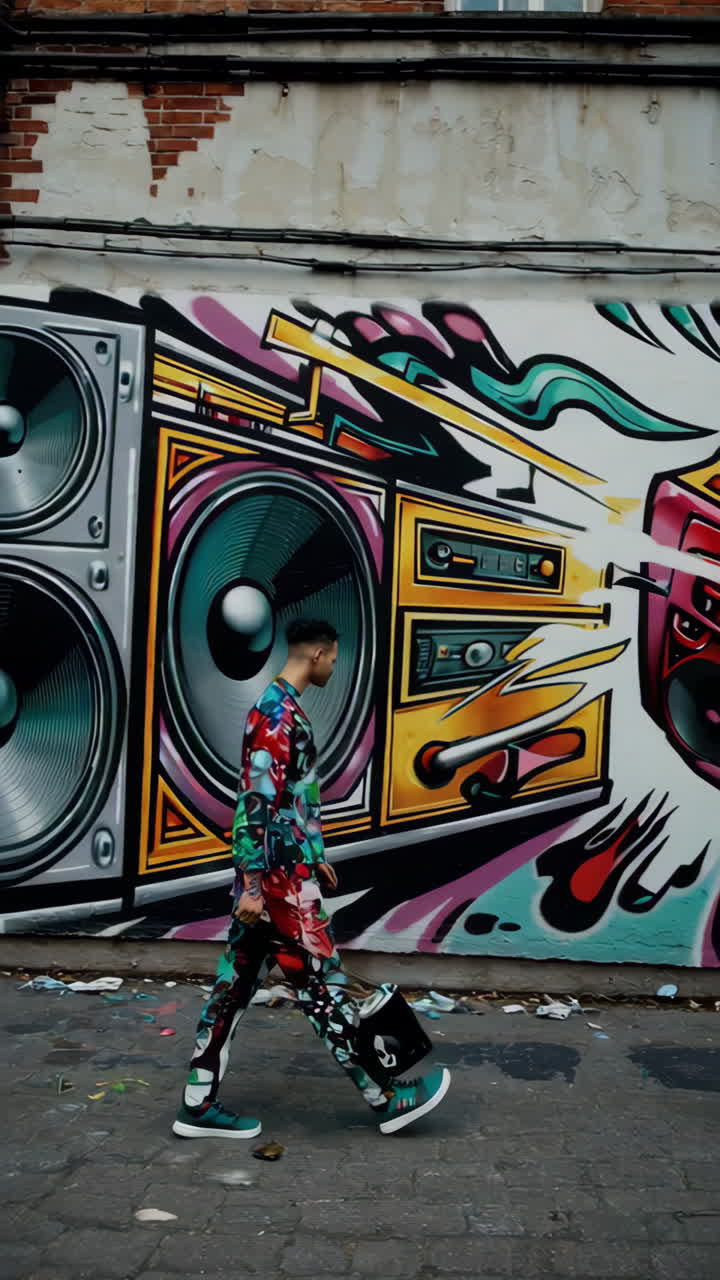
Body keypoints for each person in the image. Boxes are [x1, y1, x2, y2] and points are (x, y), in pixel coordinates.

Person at [173, 617, 450, 1139]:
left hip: (283, 874)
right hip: (277, 887)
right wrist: (253, 885)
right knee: (324, 987)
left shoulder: (285, 711)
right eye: (334, 656)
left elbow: (294, 794)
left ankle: (197, 1103)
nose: (335, 665)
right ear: (318, 654)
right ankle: (386, 1096)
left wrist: (314, 850)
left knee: (231, 992)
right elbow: (255, 802)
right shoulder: (276, 716)